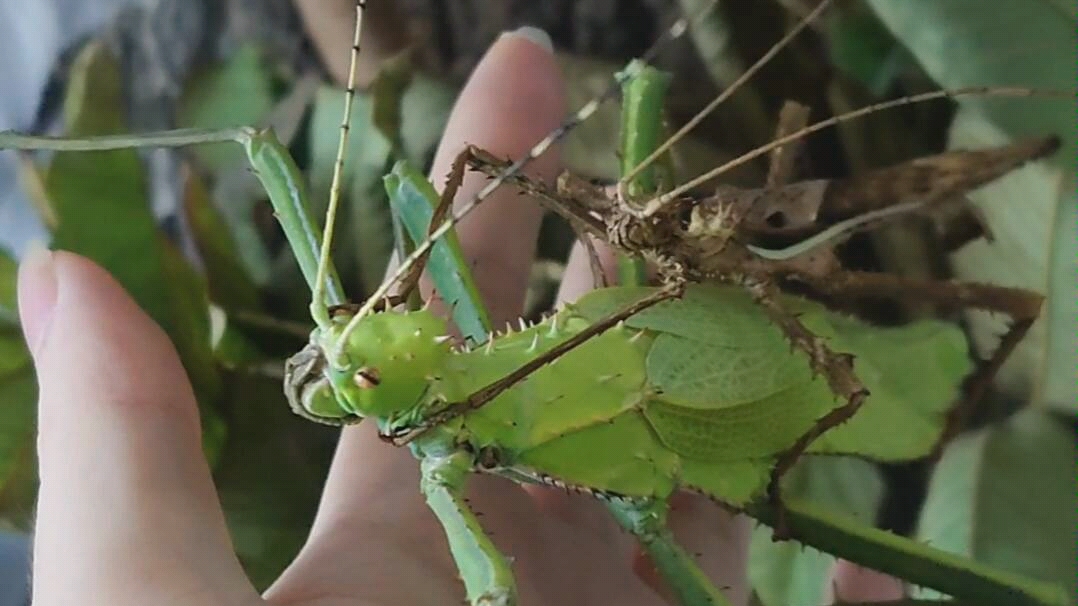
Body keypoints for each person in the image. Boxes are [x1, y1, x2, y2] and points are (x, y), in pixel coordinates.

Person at [16, 25, 904, 606]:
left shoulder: (439, 440)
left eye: (358, 327)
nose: (341, 339)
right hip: (708, 374)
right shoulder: (433, 388)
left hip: (725, 367)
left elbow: (495, 591)